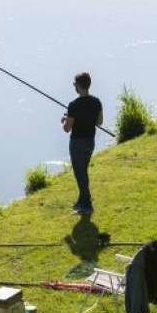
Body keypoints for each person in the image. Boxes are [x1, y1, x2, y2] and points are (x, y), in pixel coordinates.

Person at [61, 72, 103, 215]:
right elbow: (99, 122)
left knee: (80, 174)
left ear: (79, 86)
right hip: (90, 142)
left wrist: (64, 120)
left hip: (77, 144)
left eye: (74, 84)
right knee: (83, 172)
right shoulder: (97, 102)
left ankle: (86, 206)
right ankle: (81, 201)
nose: (74, 87)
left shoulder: (73, 105)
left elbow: (67, 129)